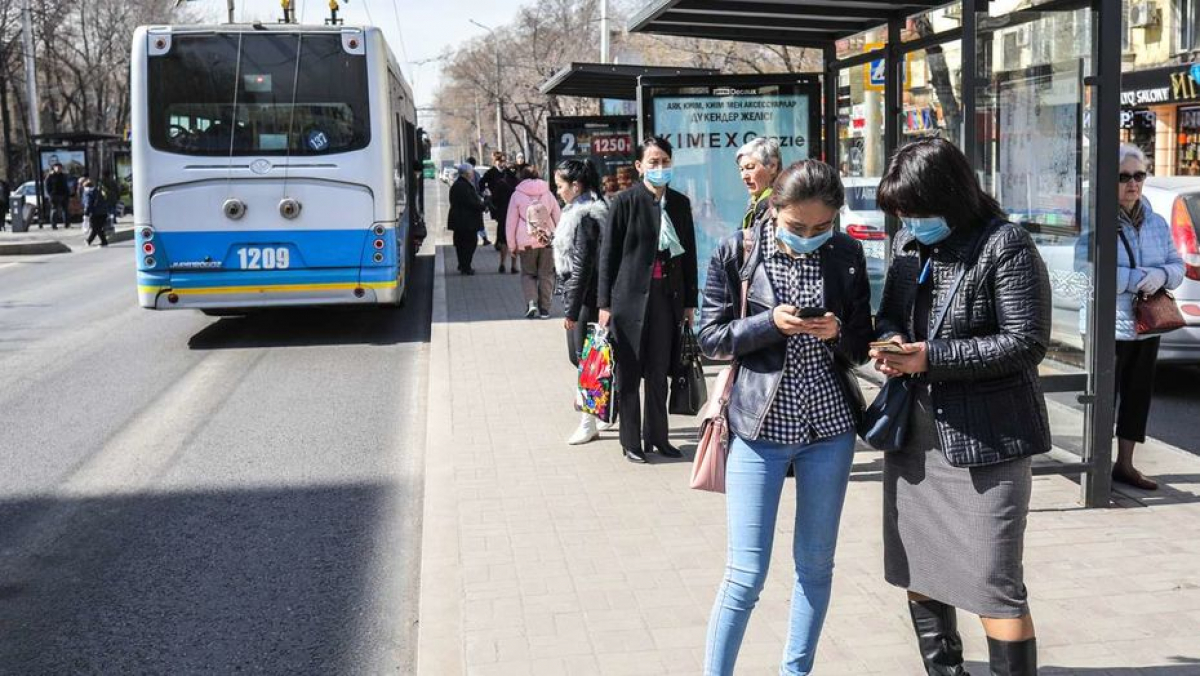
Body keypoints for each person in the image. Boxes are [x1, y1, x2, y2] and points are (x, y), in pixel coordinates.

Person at [871, 137, 1051, 675]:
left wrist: (931, 358)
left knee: (996, 580)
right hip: (917, 436)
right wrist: (890, 346)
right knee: (920, 564)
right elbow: (890, 316)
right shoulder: (909, 245)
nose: (906, 219)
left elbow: (1025, 342)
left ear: (949, 195)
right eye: (899, 210)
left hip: (989, 438)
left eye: (914, 208)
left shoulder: (1005, 245)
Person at [697, 160, 872, 675]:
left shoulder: (847, 254)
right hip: (758, 427)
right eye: (798, 227)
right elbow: (709, 337)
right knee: (746, 573)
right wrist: (768, 324)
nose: (811, 237)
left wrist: (838, 331)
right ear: (774, 209)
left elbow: (862, 342)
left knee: (815, 567)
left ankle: (796, 671)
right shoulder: (738, 250)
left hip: (829, 430)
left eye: (822, 227)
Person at [597, 136, 698, 464]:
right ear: (639, 166)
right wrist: (604, 304)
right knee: (629, 373)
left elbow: (690, 256)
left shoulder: (680, 204)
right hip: (628, 302)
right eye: (653, 162)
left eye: (665, 162)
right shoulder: (625, 202)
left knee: (658, 372)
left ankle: (659, 437)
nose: (660, 168)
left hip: (666, 300)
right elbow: (608, 256)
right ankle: (631, 442)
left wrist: (689, 303)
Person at [1102, 145, 1184, 490]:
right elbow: (1090, 270)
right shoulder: (1100, 220)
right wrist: (1137, 279)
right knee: (1105, 398)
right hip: (1110, 326)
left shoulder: (1156, 222)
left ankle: (1126, 464)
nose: (1132, 184)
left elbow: (1177, 266)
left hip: (1147, 326)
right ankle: (1096, 465)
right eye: (1123, 177)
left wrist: (1162, 276)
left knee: (1138, 397)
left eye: (1138, 176)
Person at [553, 159, 611, 445]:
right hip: (584, 295)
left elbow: (582, 267)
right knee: (586, 358)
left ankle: (589, 420)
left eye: (561, 186)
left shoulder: (586, 216)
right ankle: (600, 412)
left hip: (586, 297)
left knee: (585, 358)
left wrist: (571, 310)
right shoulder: (578, 210)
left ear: (576, 186)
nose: (558, 192)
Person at [506, 164, 561, 319]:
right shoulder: (547, 193)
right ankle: (545, 309)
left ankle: (531, 304)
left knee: (528, 274)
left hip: (526, 242)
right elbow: (558, 216)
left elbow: (510, 222)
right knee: (547, 274)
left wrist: (512, 246)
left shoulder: (517, 195)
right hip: (547, 240)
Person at [481, 151, 519, 273]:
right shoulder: (492, 172)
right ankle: (513, 265)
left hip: (503, 210)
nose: (502, 163)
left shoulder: (505, 178)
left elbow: (495, 196)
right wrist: (486, 193)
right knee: (513, 239)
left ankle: (503, 262)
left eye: (504, 161)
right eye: (500, 161)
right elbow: (482, 183)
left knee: (503, 237)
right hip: (510, 211)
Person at [447, 163, 486, 275]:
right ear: (466, 173)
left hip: (462, 221)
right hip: (465, 221)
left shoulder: (461, 184)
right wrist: (483, 205)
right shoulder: (462, 186)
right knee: (468, 243)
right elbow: (471, 203)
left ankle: (463, 264)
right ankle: (465, 266)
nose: (473, 174)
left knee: (463, 244)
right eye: (472, 172)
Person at [736, 137, 782, 230]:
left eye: (750, 167)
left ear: (772, 166)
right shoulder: (754, 203)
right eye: (741, 169)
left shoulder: (779, 206)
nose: (744, 176)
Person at [465, 157, 491, 247]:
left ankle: (482, 239)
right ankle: (481, 239)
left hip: (473, 202)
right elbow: (480, 189)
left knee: (475, 221)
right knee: (477, 221)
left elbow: (480, 189)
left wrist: (485, 198)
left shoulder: (472, 175)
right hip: (475, 201)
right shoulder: (475, 175)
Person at [81, 178, 110, 247]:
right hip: (103, 212)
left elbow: (88, 204)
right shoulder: (97, 191)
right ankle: (89, 241)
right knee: (97, 228)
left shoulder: (87, 193)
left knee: (96, 228)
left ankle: (103, 241)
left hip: (95, 213)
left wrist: (86, 214)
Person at [44, 163, 71, 230]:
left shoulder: (63, 176)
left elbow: (66, 185)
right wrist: (50, 194)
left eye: (60, 168)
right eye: (57, 167)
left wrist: (67, 194)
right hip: (54, 195)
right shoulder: (50, 176)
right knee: (54, 210)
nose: (58, 169)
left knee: (65, 210)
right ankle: (54, 225)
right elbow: (47, 186)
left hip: (64, 195)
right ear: (54, 168)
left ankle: (66, 224)